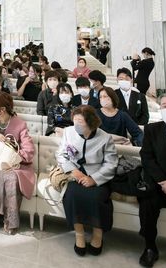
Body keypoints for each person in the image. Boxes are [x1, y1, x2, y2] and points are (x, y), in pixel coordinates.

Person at [56, 105, 118, 256]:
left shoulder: (105, 138)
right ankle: (79, 234)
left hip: (97, 175)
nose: (76, 125)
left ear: (91, 123)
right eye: (74, 121)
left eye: (80, 122)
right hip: (75, 173)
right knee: (72, 195)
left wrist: (94, 179)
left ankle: (98, 234)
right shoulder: (68, 132)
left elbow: (111, 164)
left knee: (97, 197)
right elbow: (61, 154)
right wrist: (73, 170)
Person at [0, 91, 35, 234]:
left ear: (2, 109)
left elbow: (29, 150)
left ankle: (10, 219)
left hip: (14, 165)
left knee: (11, 180)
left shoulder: (20, 124)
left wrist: (14, 155)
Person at [137, 94, 166, 267]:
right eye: (165, 106)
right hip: (160, 182)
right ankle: (150, 247)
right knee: (147, 201)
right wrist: (165, 183)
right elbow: (147, 157)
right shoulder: (153, 129)